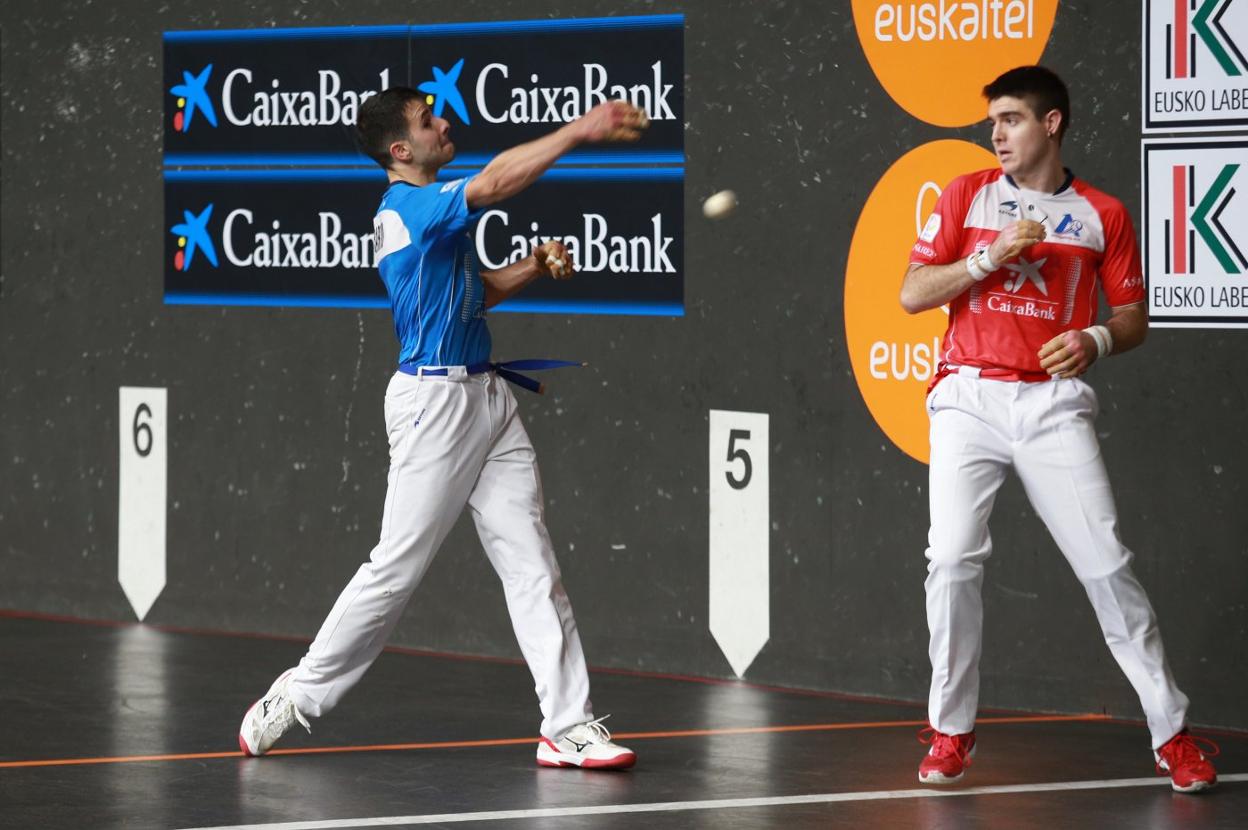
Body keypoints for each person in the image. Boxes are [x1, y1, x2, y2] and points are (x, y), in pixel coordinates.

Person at [238, 87, 650, 770]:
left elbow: (472, 291)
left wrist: (531, 266)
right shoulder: (407, 210)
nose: (445, 124)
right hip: (434, 409)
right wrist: (581, 127)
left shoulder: (431, 218)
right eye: (430, 123)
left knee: (532, 563)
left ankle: (567, 726)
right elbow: (492, 182)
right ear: (400, 151)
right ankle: (297, 695)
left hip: (488, 399)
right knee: (395, 569)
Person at [900, 66, 1218, 793]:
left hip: (1052, 404)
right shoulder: (966, 196)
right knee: (950, 561)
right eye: (992, 122)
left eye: (1010, 119)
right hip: (968, 399)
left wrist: (1095, 342)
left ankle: (1172, 735)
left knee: (1106, 565)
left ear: (1051, 124)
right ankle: (951, 731)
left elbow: (1133, 316)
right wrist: (988, 256)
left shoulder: (1103, 213)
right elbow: (913, 292)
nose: (996, 134)